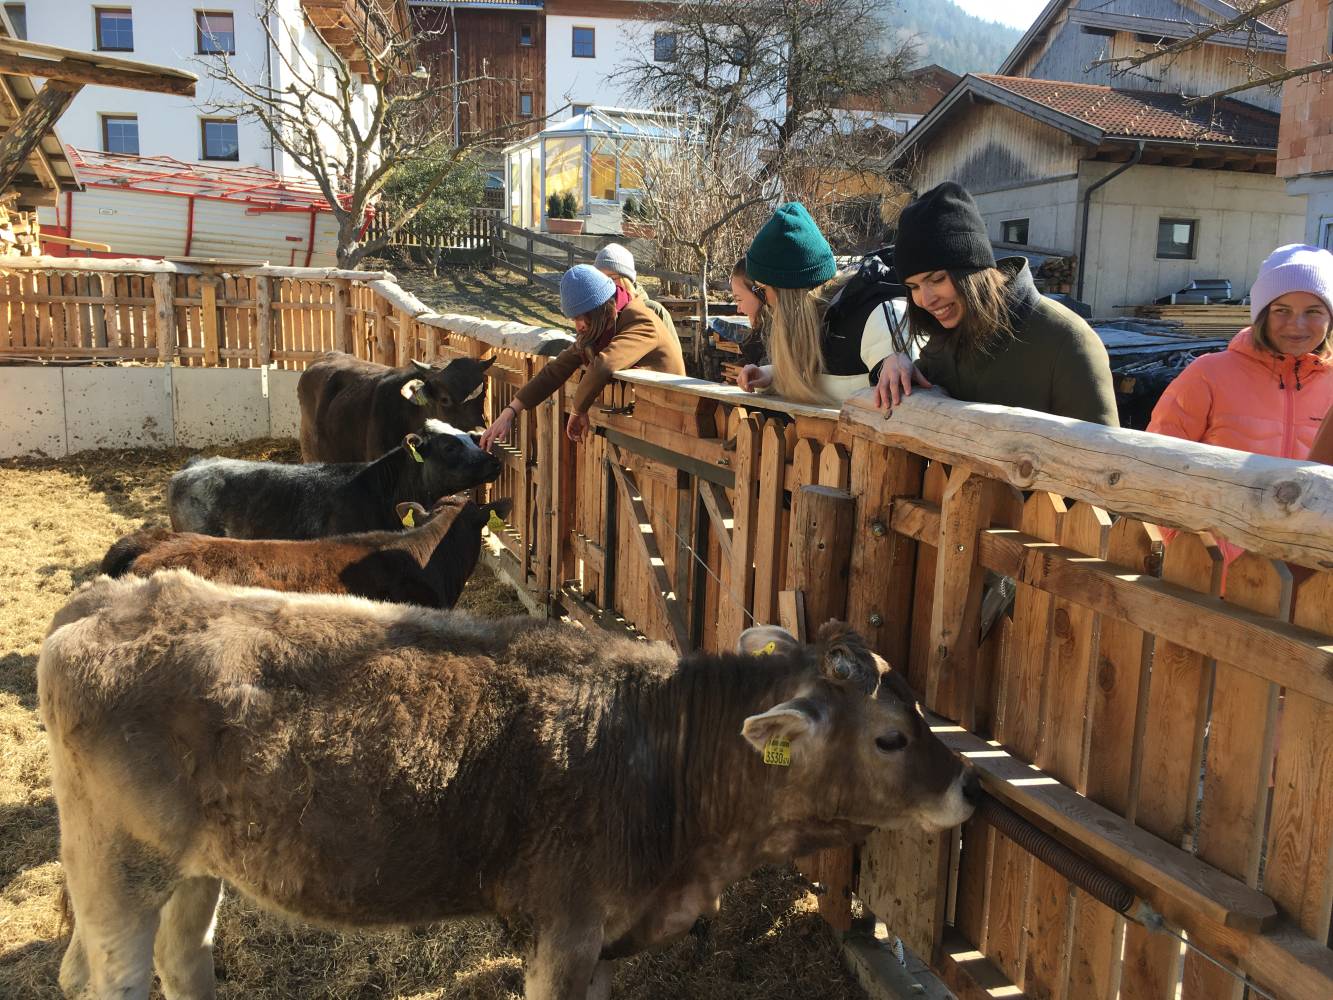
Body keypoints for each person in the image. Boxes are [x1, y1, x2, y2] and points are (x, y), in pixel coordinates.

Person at [1148, 243, 1333, 563]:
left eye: (1313, 311)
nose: (1297, 324)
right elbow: (1156, 466)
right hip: (1214, 575)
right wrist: (1189, 552)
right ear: (1262, 314)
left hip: (1310, 582)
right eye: (1282, 310)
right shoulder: (1208, 374)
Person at [879, 182, 1119, 426]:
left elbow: (1104, 454)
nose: (925, 300)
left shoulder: (1067, 340)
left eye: (937, 279)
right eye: (914, 287)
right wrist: (898, 363)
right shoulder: (947, 336)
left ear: (974, 271)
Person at [479, 264, 686, 448]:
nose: (578, 325)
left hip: (676, 427)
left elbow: (604, 364)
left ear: (599, 309)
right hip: (645, 427)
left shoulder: (641, 323)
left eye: (580, 317)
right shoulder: (601, 328)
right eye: (574, 318)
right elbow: (557, 369)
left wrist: (578, 410)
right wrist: (510, 411)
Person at [735, 202, 908, 406]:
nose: (766, 303)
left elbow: (899, 402)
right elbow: (823, 376)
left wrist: (898, 356)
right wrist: (772, 375)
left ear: (786, 293)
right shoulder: (821, 317)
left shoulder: (871, 316)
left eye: (762, 290)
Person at [594, 243, 677, 340]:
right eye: (600, 278)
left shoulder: (653, 310)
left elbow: (673, 353)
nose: (605, 284)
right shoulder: (596, 312)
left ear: (627, 280)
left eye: (612, 278)